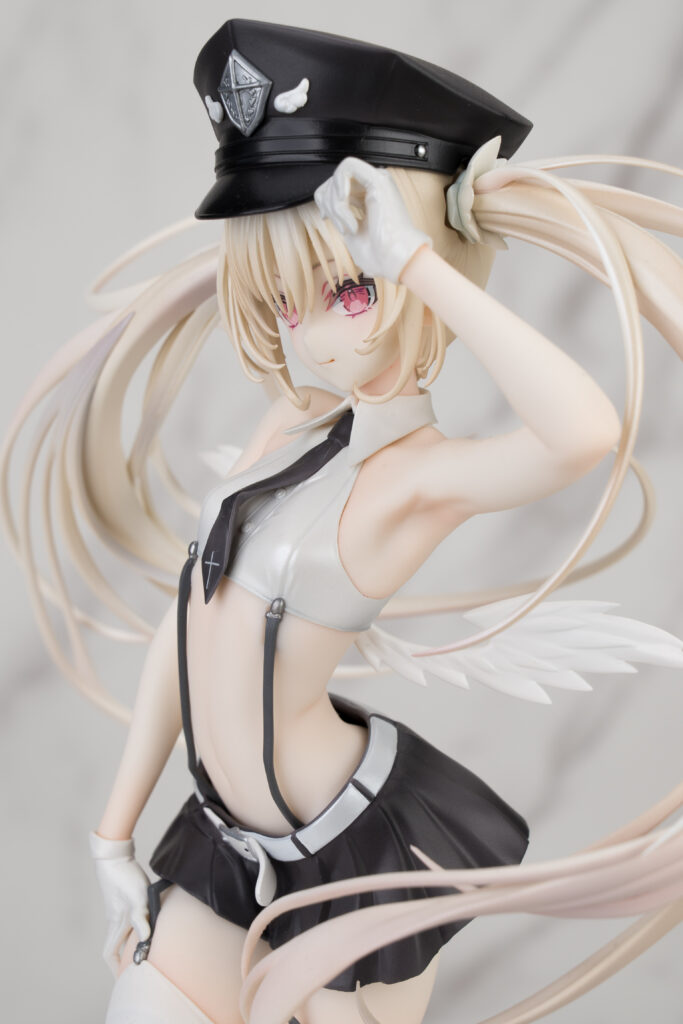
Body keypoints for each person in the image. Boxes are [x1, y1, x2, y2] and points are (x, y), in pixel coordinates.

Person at [3, 18, 683, 1024]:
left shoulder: (416, 480)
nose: (312, 334)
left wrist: (416, 264)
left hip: (353, 850)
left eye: (346, 290)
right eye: (285, 303)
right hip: (224, 838)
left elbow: (584, 432)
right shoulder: (289, 435)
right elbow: (189, 631)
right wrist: (113, 834)